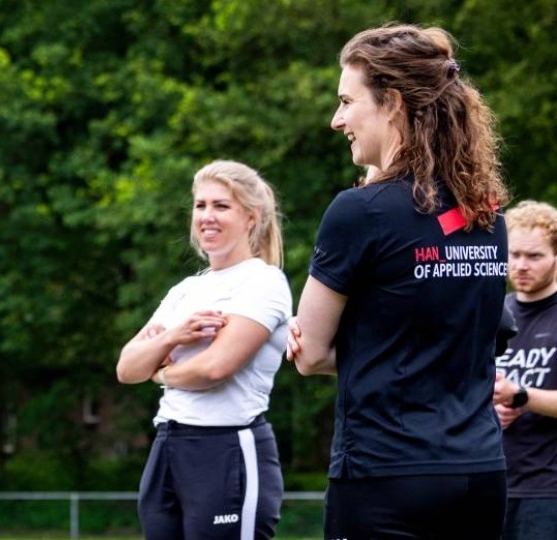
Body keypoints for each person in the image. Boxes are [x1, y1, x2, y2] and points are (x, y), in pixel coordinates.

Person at [292, 23, 512, 539]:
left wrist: (373, 349)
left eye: (347, 102)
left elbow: (311, 352)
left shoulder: (357, 213)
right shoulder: (484, 212)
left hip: (385, 474)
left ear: (391, 103)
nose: (335, 119)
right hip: (480, 473)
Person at [115, 161, 288, 540]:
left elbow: (214, 368)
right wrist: (172, 337)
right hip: (168, 447)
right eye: (200, 205)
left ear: (250, 217)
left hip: (226, 449)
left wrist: (160, 373)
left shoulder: (264, 282)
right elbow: (127, 368)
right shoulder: (185, 291)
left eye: (221, 206)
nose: (207, 216)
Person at [491, 200, 557, 539]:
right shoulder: (494, 312)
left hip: (547, 491)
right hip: (489, 482)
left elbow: (518, 393)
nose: (520, 265)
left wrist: (520, 396)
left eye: (534, 256)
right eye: (513, 254)